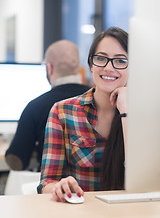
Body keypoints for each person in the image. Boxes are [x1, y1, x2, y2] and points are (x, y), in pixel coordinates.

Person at [37, 27, 128, 201]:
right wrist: (59, 187)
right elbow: (46, 182)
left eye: (121, 61)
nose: (109, 67)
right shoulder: (63, 111)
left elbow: (146, 182)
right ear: (91, 64)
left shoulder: (148, 115)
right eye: (101, 58)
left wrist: (126, 113)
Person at [5, 40, 90, 171]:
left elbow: (17, 161)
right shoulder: (97, 99)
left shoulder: (35, 106)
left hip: (51, 186)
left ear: (49, 67)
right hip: (94, 187)